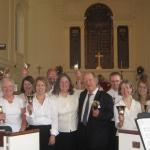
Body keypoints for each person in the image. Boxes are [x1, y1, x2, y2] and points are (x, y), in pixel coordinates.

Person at [78, 72, 113, 150]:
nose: (88, 83)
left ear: (96, 81)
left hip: (97, 138)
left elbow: (110, 114)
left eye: (90, 80)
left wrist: (99, 114)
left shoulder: (105, 97)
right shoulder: (82, 95)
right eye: (85, 81)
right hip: (82, 135)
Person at [26, 76, 58, 150]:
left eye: (42, 85)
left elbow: (55, 119)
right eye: (38, 85)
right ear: (35, 87)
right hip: (33, 131)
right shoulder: (30, 100)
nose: (40, 87)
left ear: (46, 87)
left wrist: (53, 135)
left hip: (47, 131)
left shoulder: (51, 101)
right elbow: (29, 121)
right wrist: (30, 112)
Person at [52, 73, 79, 150]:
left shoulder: (75, 94)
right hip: (60, 132)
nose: (64, 84)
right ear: (58, 84)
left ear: (70, 83)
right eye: (62, 82)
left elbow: (87, 92)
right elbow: (53, 118)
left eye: (66, 82)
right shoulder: (53, 98)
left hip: (74, 131)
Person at [107, 72, 122, 150]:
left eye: (117, 80)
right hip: (111, 125)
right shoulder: (106, 95)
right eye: (112, 81)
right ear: (110, 82)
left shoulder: (125, 93)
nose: (115, 83)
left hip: (124, 123)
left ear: (121, 81)